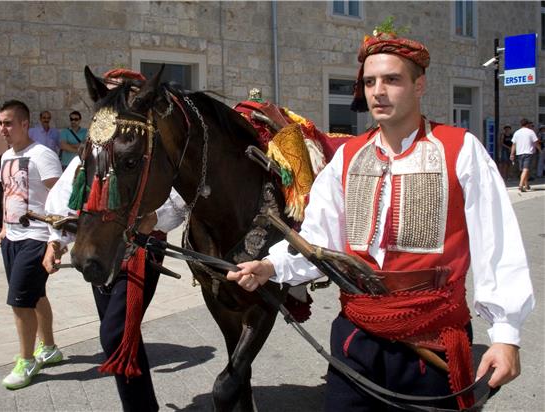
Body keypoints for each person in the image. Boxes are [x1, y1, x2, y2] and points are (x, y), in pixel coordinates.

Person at [228, 30, 534, 411]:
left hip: (432, 338)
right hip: (356, 336)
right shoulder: (348, 157)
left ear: (419, 85)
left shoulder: (460, 150)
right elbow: (320, 240)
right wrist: (270, 265)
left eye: (392, 79)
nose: (378, 91)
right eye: (370, 82)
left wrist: (505, 335)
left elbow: (497, 244)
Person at [43, 68, 186, 412]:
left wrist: (153, 220)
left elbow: (177, 201)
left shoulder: (151, 143)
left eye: (121, 93)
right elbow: (67, 189)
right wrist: (55, 241)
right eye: (108, 94)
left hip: (141, 249)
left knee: (114, 336)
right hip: (100, 246)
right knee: (124, 340)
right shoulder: (97, 144)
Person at [0, 100, 64, 390]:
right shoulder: (5, 156)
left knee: (19, 302)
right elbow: (7, 191)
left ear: (25, 124)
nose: (3, 129)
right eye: (0, 123)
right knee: (35, 296)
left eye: (8, 123)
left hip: (36, 237)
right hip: (11, 237)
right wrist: (2, 228)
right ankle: (48, 348)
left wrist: (55, 242)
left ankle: (26, 361)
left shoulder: (42, 155)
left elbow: (61, 200)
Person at [510, 118, 541, 192]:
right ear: (527, 124)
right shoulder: (531, 132)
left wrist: (512, 154)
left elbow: (514, 144)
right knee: (526, 169)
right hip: (528, 152)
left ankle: (526, 185)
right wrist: (540, 150)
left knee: (523, 170)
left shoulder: (517, 132)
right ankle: (521, 185)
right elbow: (536, 142)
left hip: (519, 153)